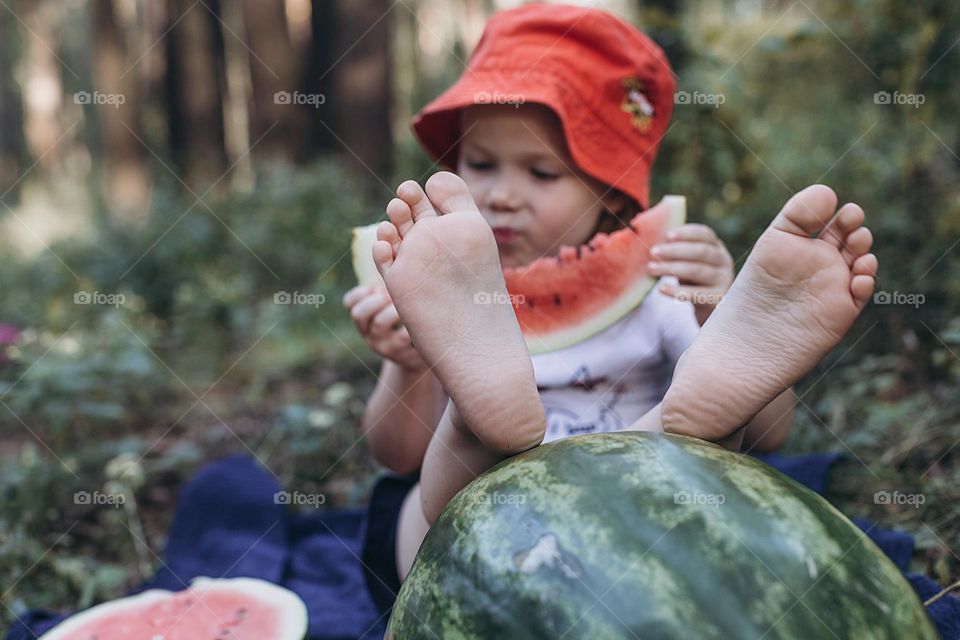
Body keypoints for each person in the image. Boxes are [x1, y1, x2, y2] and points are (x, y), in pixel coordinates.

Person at [344, 4, 876, 592]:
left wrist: (709, 307)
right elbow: (398, 454)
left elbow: (771, 435)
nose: (501, 195)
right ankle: (480, 429)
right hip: (481, 538)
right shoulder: (443, 298)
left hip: (637, 515)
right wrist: (408, 364)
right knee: (423, 503)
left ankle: (693, 415)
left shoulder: (661, 288)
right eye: (480, 163)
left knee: (683, 463)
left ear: (615, 199)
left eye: (541, 173)